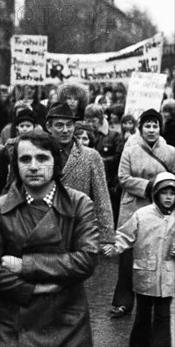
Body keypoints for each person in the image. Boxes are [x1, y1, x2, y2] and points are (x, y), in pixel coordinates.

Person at [0, 129, 99, 346]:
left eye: (42, 158)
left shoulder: (80, 204)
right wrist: (33, 289)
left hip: (66, 322)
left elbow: (86, 260)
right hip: (10, 324)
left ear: (56, 162)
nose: (33, 166)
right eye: (25, 159)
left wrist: (26, 265)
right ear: (16, 166)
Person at [110, 108, 175, 318]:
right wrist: (150, 187)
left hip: (161, 210)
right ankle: (123, 301)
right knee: (128, 256)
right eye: (147, 125)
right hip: (133, 206)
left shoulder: (170, 152)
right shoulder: (130, 150)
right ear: (141, 128)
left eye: (155, 125)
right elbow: (123, 178)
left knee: (157, 254)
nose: (151, 130)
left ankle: (156, 298)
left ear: (160, 128)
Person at [103, 171, 175, 347]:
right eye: (164, 193)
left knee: (163, 315)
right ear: (155, 193)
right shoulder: (142, 215)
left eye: (173, 194)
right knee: (143, 314)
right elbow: (125, 235)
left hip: (167, 277)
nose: (168, 198)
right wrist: (113, 247)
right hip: (145, 275)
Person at [45, 102, 115, 245]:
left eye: (69, 125)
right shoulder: (39, 154)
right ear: (48, 127)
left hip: (79, 231)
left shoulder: (90, 156)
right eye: (59, 125)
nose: (65, 130)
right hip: (44, 230)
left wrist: (106, 238)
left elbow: (102, 199)